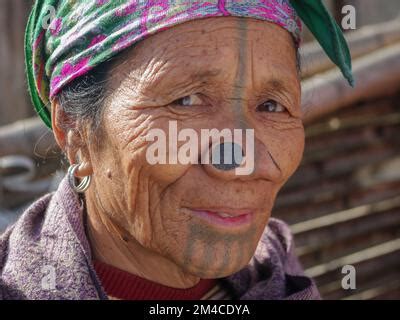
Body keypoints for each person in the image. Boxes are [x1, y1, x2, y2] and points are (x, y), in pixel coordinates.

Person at [0, 0, 353, 300]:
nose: (241, 161)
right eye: (186, 101)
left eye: (271, 105)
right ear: (74, 130)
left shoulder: (279, 272)